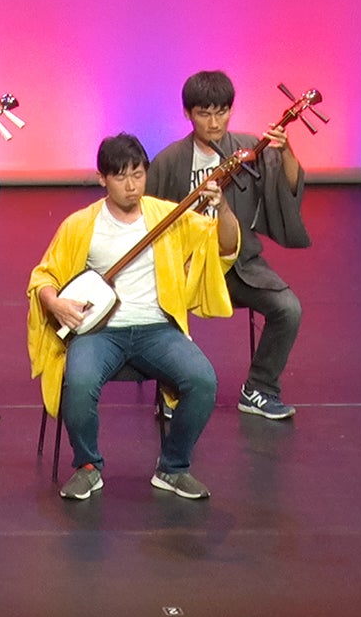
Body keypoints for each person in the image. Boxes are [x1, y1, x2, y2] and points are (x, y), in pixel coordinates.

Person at [27, 134, 239, 501]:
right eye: (121, 176)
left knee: (203, 380)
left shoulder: (168, 216)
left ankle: (173, 467)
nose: (131, 185)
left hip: (157, 328)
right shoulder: (81, 225)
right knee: (78, 383)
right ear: (102, 178)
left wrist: (223, 208)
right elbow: (44, 276)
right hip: (100, 332)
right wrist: (55, 302)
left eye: (138, 175)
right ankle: (88, 467)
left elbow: (224, 245)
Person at [147, 70, 309, 420]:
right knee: (158, 310)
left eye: (221, 112)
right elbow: (146, 217)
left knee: (288, 308)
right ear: (188, 114)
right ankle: (172, 390)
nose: (214, 122)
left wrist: (286, 151)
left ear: (231, 111)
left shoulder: (248, 149)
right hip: (184, 268)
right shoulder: (169, 161)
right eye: (204, 113)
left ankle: (259, 388)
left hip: (238, 264)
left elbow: (287, 188)